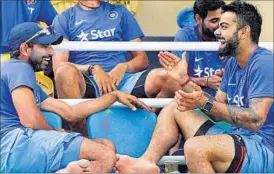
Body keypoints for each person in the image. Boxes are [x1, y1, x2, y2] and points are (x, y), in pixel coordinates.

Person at [115, 1, 273, 173]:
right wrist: (183, 81)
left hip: (262, 149)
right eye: (218, 26)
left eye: (224, 27)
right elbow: (215, 109)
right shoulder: (233, 63)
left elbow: (256, 119)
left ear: (244, 32)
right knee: (175, 106)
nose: (217, 32)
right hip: (238, 141)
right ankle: (146, 163)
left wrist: (204, 102)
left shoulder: (263, 62)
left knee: (195, 147)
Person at [0, 22, 150, 173]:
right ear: (25, 49)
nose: (51, 52)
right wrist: (55, 132)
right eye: (45, 46)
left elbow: (70, 113)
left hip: (18, 145)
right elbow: (30, 119)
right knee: (105, 156)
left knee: (106, 145)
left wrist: (113, 96)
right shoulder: (19, 68)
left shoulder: (22, 76)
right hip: (12, 145)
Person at [52, 0, 183, 99]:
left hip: (123, 80)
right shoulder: (64, 19)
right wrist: (93, 69)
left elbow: (142, 60)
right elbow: (59, 66)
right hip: (87, 80)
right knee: (64, 73)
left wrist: (123, 67)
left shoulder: (121, 12)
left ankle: (151, 120)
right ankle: (82, 134)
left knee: (169, 77)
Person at [159, 0, 226, 97]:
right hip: (191, 94)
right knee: (162, 85)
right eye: (214, 21)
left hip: (221, 100)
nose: (220, 27)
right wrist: (206, 81)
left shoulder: (230, 34)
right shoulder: (185, 36)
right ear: (198, 19)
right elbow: (175, 78)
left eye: (222, 20)